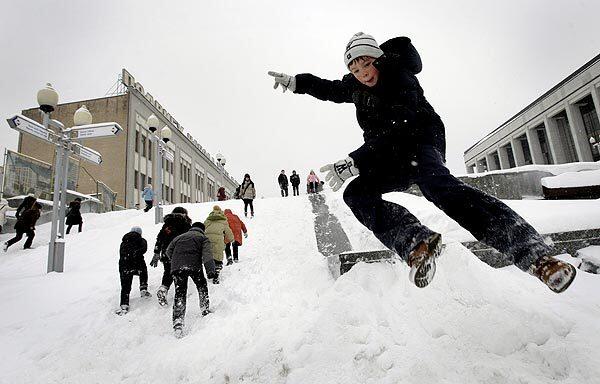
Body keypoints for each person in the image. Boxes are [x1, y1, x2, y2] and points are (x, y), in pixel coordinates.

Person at [268, 32, 576, 293]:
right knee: (356, 194)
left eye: (366, 63)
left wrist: (356, 159)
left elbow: (402, 123)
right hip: (387, 155)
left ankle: (536, 256)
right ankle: (416, 243)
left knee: (439, 188)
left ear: (378, 59)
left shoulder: (399, 75)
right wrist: (296, 82)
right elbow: (327, 89)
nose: (363, 72)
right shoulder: (355, 87)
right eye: (355, 67)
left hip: (419, 142)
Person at [166, 222, 216, 338]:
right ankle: (204, 309)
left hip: (177, 268)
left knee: (180, 293)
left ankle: (178, 322)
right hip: (194, 266)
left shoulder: (179, 237)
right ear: (202, 230)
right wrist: (210, 271)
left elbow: (168, 252)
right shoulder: (203, 238)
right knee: (201, 285)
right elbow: (207, 255)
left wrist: (177, 261)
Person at [150, 207, 192, 306]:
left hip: (166, 253)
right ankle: (180, 294)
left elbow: (159, 239)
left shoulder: (167, 225)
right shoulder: (185, 224)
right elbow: (189, 239)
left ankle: (163, 288)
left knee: (168, 271)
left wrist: (156, 252)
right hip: (180, 253)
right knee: (180, 273)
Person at [116, 226, 151, 315]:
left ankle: (124, 304)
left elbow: (122, 253)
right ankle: (143, 287)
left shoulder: (123, 242)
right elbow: (144, 249)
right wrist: (136, 253)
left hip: (124, 265)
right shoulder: (142, 240)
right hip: (137, 263)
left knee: (125, 286)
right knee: (143, 271)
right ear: (140, 233)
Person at [204, 205, 234, 284]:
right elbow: (228, 231)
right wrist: (231, 239)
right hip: (218, 240)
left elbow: (203, 228)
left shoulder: (208, 219)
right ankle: (216, 274)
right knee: (218, 256)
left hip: (207, 239)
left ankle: (210, 271)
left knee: (209, 255)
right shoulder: (223, 220)